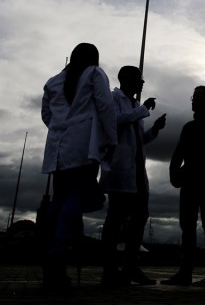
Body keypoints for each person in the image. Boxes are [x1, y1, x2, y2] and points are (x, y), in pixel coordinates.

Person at [40, 43, 117, 290]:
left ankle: (53, 255)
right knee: (76, 195)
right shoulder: (95, 74)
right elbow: (106, 107)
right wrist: (110, 138)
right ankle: (58, 251)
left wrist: (60, 127)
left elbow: (46, 115)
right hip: (83, 145)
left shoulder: (53, 81)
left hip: (58, 147)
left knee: (59, 198)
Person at [99, 66, 166, 287]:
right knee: (115, 219)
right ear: (126, 79)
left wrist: (154, 130)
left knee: (139, 218)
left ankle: (130, 267)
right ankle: (109, 269)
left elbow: (138, 139)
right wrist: (144, 109)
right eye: (139, 79)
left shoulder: (136, 106)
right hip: (120, 169)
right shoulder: (113, 99)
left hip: (137, 170)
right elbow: (115, 122)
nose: (143, 82)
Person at [161, 86, 205, 287]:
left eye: (197, 97)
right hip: (190, 183)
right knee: (187, 228)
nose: (192, 100)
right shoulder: (188, 127)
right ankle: (186, 273)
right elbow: (178, 153)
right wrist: (175, 174)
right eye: (192, 96)